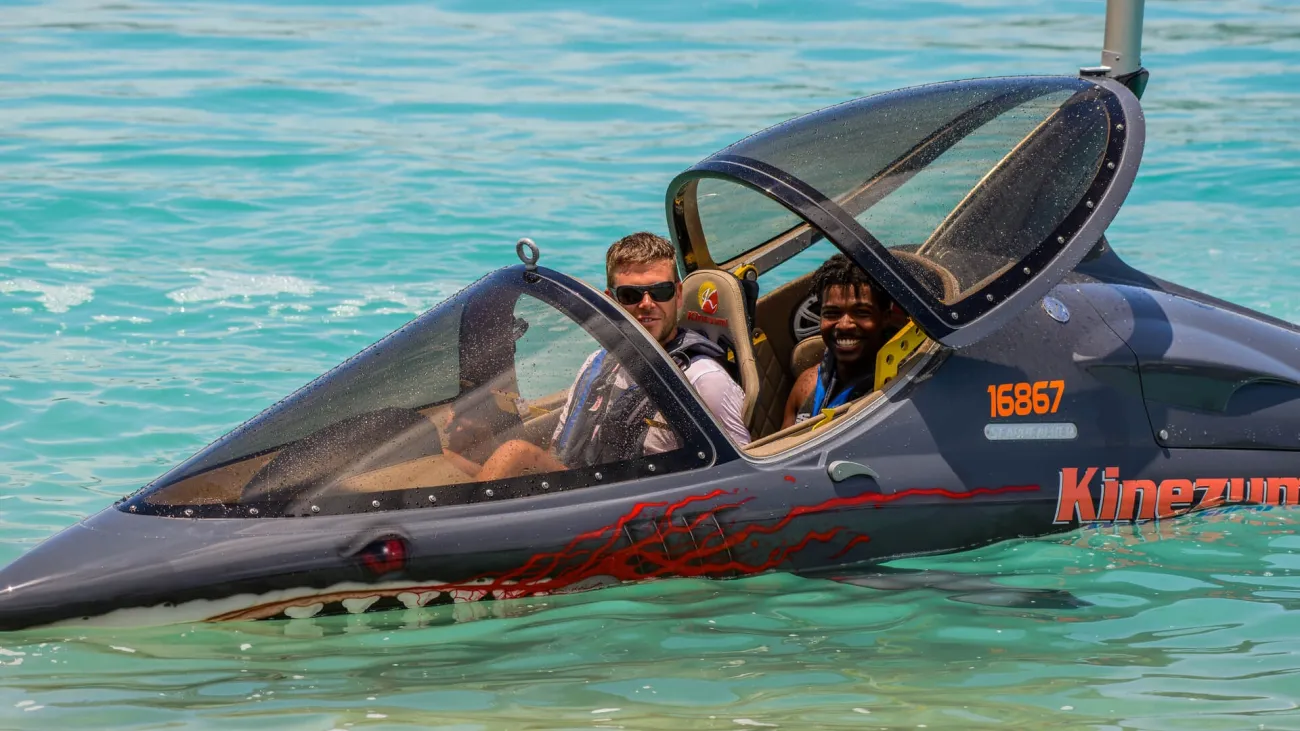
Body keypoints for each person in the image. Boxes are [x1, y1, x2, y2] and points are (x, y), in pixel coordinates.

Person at [457, 232, 750, 481]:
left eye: (659, 291)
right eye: (631, 296)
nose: (647, 304)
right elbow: (560, 450)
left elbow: (742, 476)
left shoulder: (703, 380)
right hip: (579, 489)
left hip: (632, 510)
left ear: (678, 294)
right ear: (611, 302)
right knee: (444, 454)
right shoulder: (598, 363)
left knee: (515, 452)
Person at [782, 254, 903, 429]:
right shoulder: (807, 385)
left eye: (861, 312)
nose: (845, 325)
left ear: (885, 318)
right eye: (832, 313)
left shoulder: (900, 386)